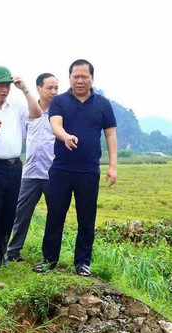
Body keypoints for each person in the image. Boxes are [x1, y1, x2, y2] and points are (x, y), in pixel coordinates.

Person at [35, 59, 118, 277]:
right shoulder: (59, 101)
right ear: (70, 78)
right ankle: (49, 260)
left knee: (86, 218)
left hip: (89, 170)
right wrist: (66, 137)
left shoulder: (103, 104)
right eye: (75, 77)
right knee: (55, 215)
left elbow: (110, 135)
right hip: (61, 169)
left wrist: (113, 166)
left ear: (92, 78)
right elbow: (55, 125)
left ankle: (82, 262)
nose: (80, 81)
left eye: (84, 77)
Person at [0, 65, 41, 271]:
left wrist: (25, 89)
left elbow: (37, 113)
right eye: (0, 86)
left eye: (7, 86)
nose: (4, 90)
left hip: (14, 166)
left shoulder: (16, 104)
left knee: (8, 213)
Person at [6, 73, 58, 262]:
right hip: (30, 172)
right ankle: (13, 252)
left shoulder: (60, 113)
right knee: (21, 213)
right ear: (39, 88)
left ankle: (50, 257)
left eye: (56, 88)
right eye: (49, 88)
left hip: (53, 173)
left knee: (55, 215)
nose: (53, 92)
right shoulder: (29, 111)